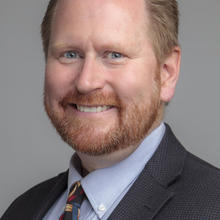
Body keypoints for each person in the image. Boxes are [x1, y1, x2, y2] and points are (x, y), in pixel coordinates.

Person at [2, 0, 220, 219]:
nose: (86, 82)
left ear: (167, 73)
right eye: (70, 54)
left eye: (114, 55)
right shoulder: (21, 210)